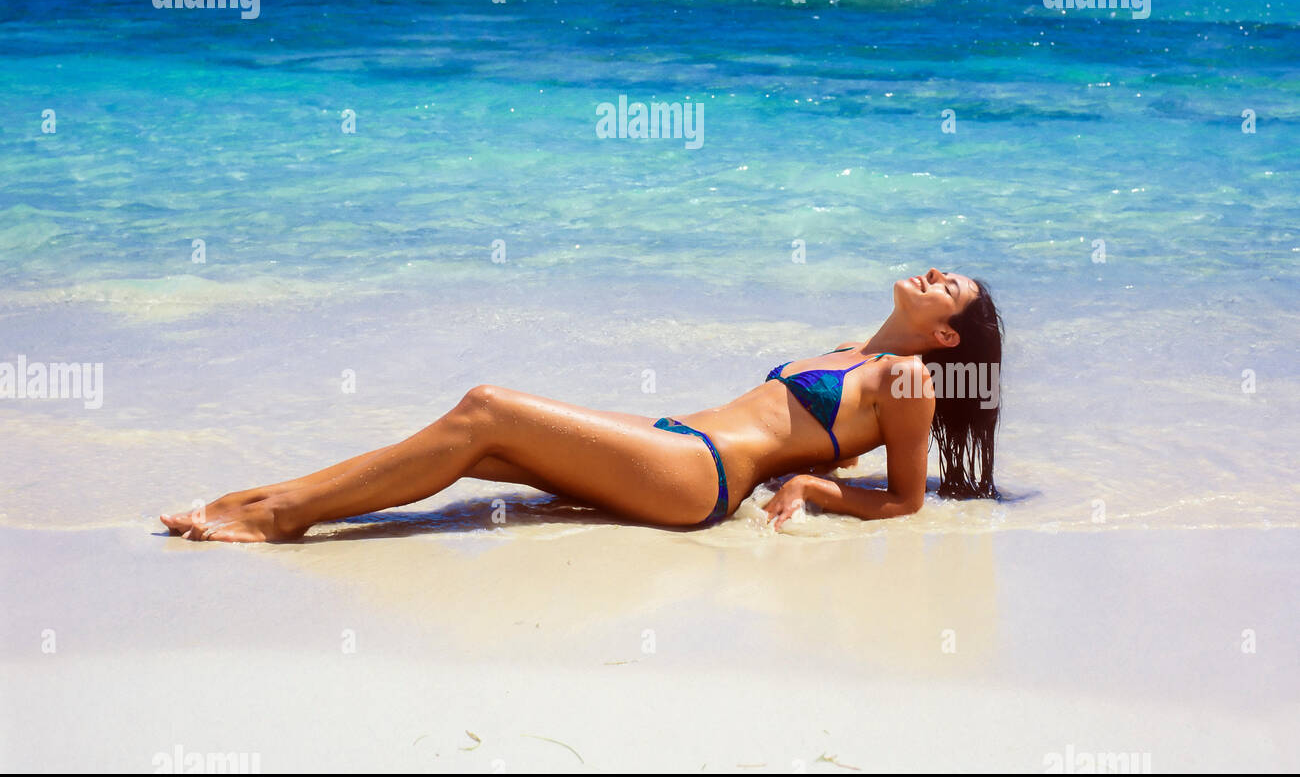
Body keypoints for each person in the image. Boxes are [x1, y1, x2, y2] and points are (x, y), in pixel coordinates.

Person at [160, 268, 1003, 542]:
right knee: (477, 455)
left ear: (949, 339)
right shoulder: (853, 353)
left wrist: (814, 489)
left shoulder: (909, 380)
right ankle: (279, 504)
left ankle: (275, 514)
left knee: (486, 406)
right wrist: (818, 462)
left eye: (950, 287)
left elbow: (901, 499)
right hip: (674, 441)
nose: (934, 274)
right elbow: (822, 436)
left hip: (699, 476)